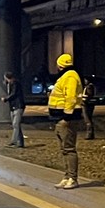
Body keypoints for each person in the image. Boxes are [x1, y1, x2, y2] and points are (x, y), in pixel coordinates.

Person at [45, 53, 84, 189]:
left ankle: (72, 178)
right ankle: (67, 176)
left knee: (69, 149)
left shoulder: (70, 76)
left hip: (66, 118)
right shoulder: (67, 76)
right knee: (65, 149)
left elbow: (71, 97)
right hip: (61, 118)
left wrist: (67, 115)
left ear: (60, 65)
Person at [3, 71, 26, 148]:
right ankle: (20, 143)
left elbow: (13, 94)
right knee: (16, 125)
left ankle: (14, 142)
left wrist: (6, 99)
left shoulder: (15, 84)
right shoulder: (11, 84)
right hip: (14, 106)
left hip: (18, 106)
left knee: (16, 124)